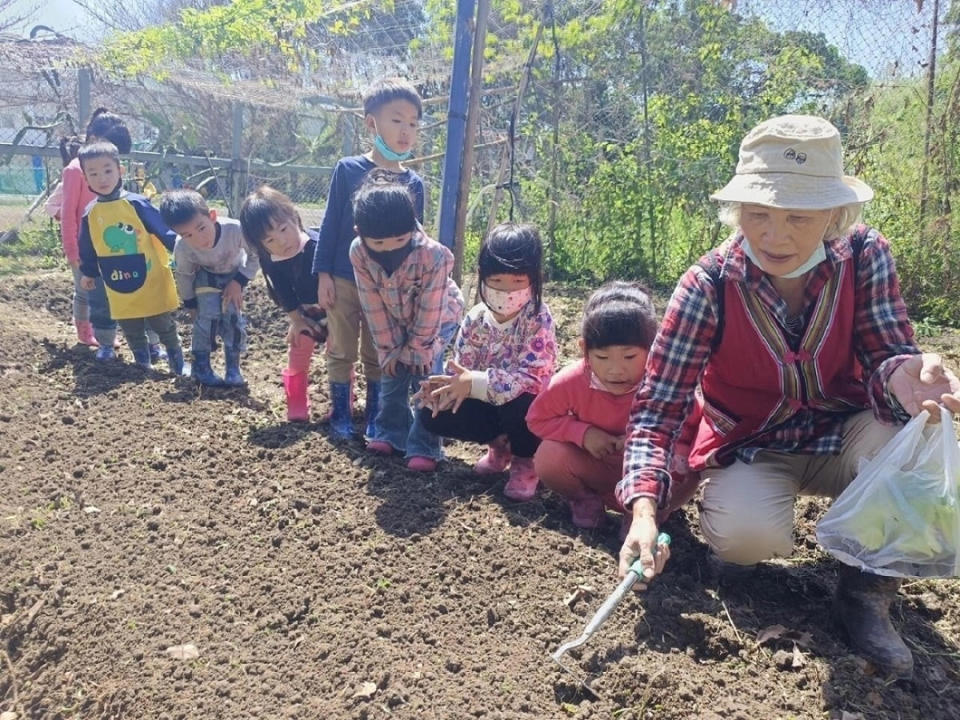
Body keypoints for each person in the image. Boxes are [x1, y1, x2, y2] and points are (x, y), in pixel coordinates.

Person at [617, 115, 960, 680]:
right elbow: (658, 406)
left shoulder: (864, 257)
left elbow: (886, 351)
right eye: (759, 215)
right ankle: (738, 561)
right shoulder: (707, 286)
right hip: (755, 443)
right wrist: (645, 511)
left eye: (797, 217)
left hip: (845, 432)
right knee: (747, 536)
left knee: (914, 437)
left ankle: (864, 594)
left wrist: (901, 376)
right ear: (738, 213)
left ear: (833, 215)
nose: (775, 236)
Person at [527, 282, 699, 530]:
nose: (616, 370)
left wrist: (646, 442)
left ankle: (650, 513)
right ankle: (586, 500)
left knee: (686, 462)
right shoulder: (572, 381)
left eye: (630, 357)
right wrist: (583, 434)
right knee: (549, 455)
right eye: (602, 357)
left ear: (653, 348)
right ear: (584, 350)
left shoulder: (667, 384)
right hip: (598, 467)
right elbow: (537, 419)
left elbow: (696, 431)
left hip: (655, 476)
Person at [312, 78, 426, 440]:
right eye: (396, 120)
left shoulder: (414, 184)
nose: (405, 131)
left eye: (413, 122)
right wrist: (323, 273)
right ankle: (341, 415)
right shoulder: (347, 170)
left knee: (379, 350)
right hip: (345, 277)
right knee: (342, 348)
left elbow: (415, 241)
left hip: (387, 286)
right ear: (371, 123)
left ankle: (378, 418)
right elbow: (330, 224)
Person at [419, 223, 556, 499]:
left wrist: (475, 382)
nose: (506, 291)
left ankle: (525, 462)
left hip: (525, 409)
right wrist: (442, 390)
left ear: (534, 279)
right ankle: (499, 446)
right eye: (497, 282)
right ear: (482, 277)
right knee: (429, 412)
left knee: (524, 402)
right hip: (489, 406)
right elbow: (461, 370)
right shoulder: (476, 319)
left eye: (517, 282)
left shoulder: (538, 318)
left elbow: (532, 379)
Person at [350, 170, 464, 471]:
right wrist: (388, 349)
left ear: (412, 227)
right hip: (392, 317)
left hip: (439, 317)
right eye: (379, 243)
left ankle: (425, 446)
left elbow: (430, 309)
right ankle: (391, 433)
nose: (391, 249)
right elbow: (371, 303)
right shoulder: (359, 253)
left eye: (399, 239)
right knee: (392, 373)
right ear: (360, 232)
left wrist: (418, 349)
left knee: (426, 376)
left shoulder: (433, 256)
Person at [76, 141, 184, 374]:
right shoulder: (90, 213)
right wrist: (89, 272)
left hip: (151, 276)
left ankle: (177, 364)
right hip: (117, 279)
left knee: (162, 322)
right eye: (93, 173)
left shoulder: (137, 203)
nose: (102, 178)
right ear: (86, 178)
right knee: (130, 323)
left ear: (120, 171)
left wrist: (184, 251)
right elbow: (88, 246)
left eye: (107, 170)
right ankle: (142, 364)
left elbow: (164, 231)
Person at [239, 186, 327, 421]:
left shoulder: (316, 247)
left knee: (339, 355)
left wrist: (340, 321)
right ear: (261, 245)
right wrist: (297, 321)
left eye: (284, 229)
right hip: (306, 312)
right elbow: (284, 293)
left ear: (293, 216)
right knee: (298, 347)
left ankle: (342, 405)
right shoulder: (272, 261)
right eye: (270, 239)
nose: (282, 241)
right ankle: (297, 406)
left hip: (336, 310)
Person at [161, 190, 259, 387]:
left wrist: (239, 281)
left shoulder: (235, 230)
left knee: (232, 317)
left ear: (212, 216)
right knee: (206, 318)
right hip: (206, 276)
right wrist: (190, 303)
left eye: (201, 228)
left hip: (234, 274)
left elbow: (255, 255)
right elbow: (184, 275)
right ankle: (202, 368)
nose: (198, 239)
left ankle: (233, 369)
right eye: (187, 234)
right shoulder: (183, 247)